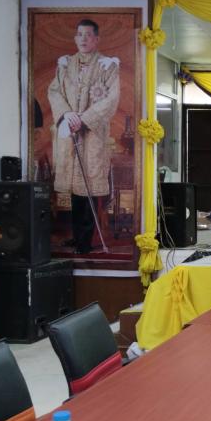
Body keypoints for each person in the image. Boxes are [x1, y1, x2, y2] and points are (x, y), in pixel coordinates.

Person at [48, 19, 120, 254]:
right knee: (74, 188)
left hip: (92, 134)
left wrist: (85, 118)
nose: (83, 39)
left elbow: (112, 99)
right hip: (69, 130)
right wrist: (67, 114)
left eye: (88, 35)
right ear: (75, 38)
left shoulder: (107, 66)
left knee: (87, 186)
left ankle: (85, 240)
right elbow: (54, 91)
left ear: (96, 39)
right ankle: (77, 236)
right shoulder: (65, 65)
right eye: (79, 34)